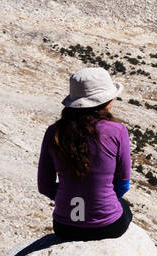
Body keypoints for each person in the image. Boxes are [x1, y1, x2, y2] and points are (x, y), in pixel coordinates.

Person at [37, 67, 133, 240]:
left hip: (65, 227)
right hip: (107, 226)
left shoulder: (54, 132)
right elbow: (123, 183)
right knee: (125, 207)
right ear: (106, 101)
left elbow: (44, 186)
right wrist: (96, 199)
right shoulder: (117, 131)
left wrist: (72, 194)